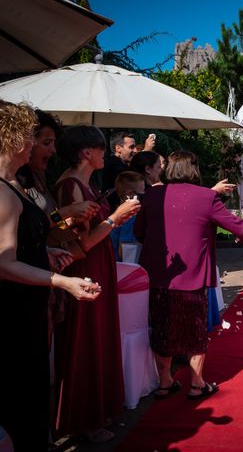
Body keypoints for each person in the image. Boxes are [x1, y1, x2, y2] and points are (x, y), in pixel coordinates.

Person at [134, 151, 243, 400]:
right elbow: (235, 225)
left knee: (161, 327)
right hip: (192, 275)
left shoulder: (152, 195)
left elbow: (139, 232)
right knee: (195, 331)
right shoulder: (206, 197)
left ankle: (165, 382)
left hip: (159, 274)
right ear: (194, 169)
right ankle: (197, 384)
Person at [0, 101, 100, 452]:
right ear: (12, 138)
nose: (44, 148)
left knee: (33, 388)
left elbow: (38, 230)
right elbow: (3, 261)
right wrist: (62, 280)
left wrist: (46, 250)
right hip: (15, 308)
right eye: (36, 139)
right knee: (20, 394)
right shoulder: (5, 190)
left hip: (32, 300)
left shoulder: (21, 182)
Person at [54, 125, 140, 444]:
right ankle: (84, 420)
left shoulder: (81, 184)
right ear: (86, 153)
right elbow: (83, 242)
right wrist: (115, 218)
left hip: (97, 266)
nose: (105, 153)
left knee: (97, 339)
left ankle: (96, 413)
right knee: (85, 343)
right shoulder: (70, 186)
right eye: (101, 148)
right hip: (84, 270)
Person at [110, 171, 146, 261]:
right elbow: (125, 247)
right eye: (142, 191)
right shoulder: (130, 216)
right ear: (130, 194)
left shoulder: (115, 212)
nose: (144, 194)